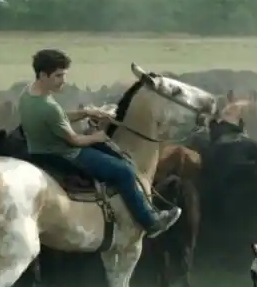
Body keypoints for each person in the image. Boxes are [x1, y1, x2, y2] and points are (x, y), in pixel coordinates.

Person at [18, 49, 182, 238]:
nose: (63, 80)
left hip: (38, 150)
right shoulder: (49, 107)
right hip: (64, 154)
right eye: (58, 76)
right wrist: (98, 136)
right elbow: (74, 139)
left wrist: (87, 112)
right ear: (43, 75)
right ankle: (150, 222)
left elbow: (55, 119)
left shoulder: (28, 94)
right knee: (125, 171)